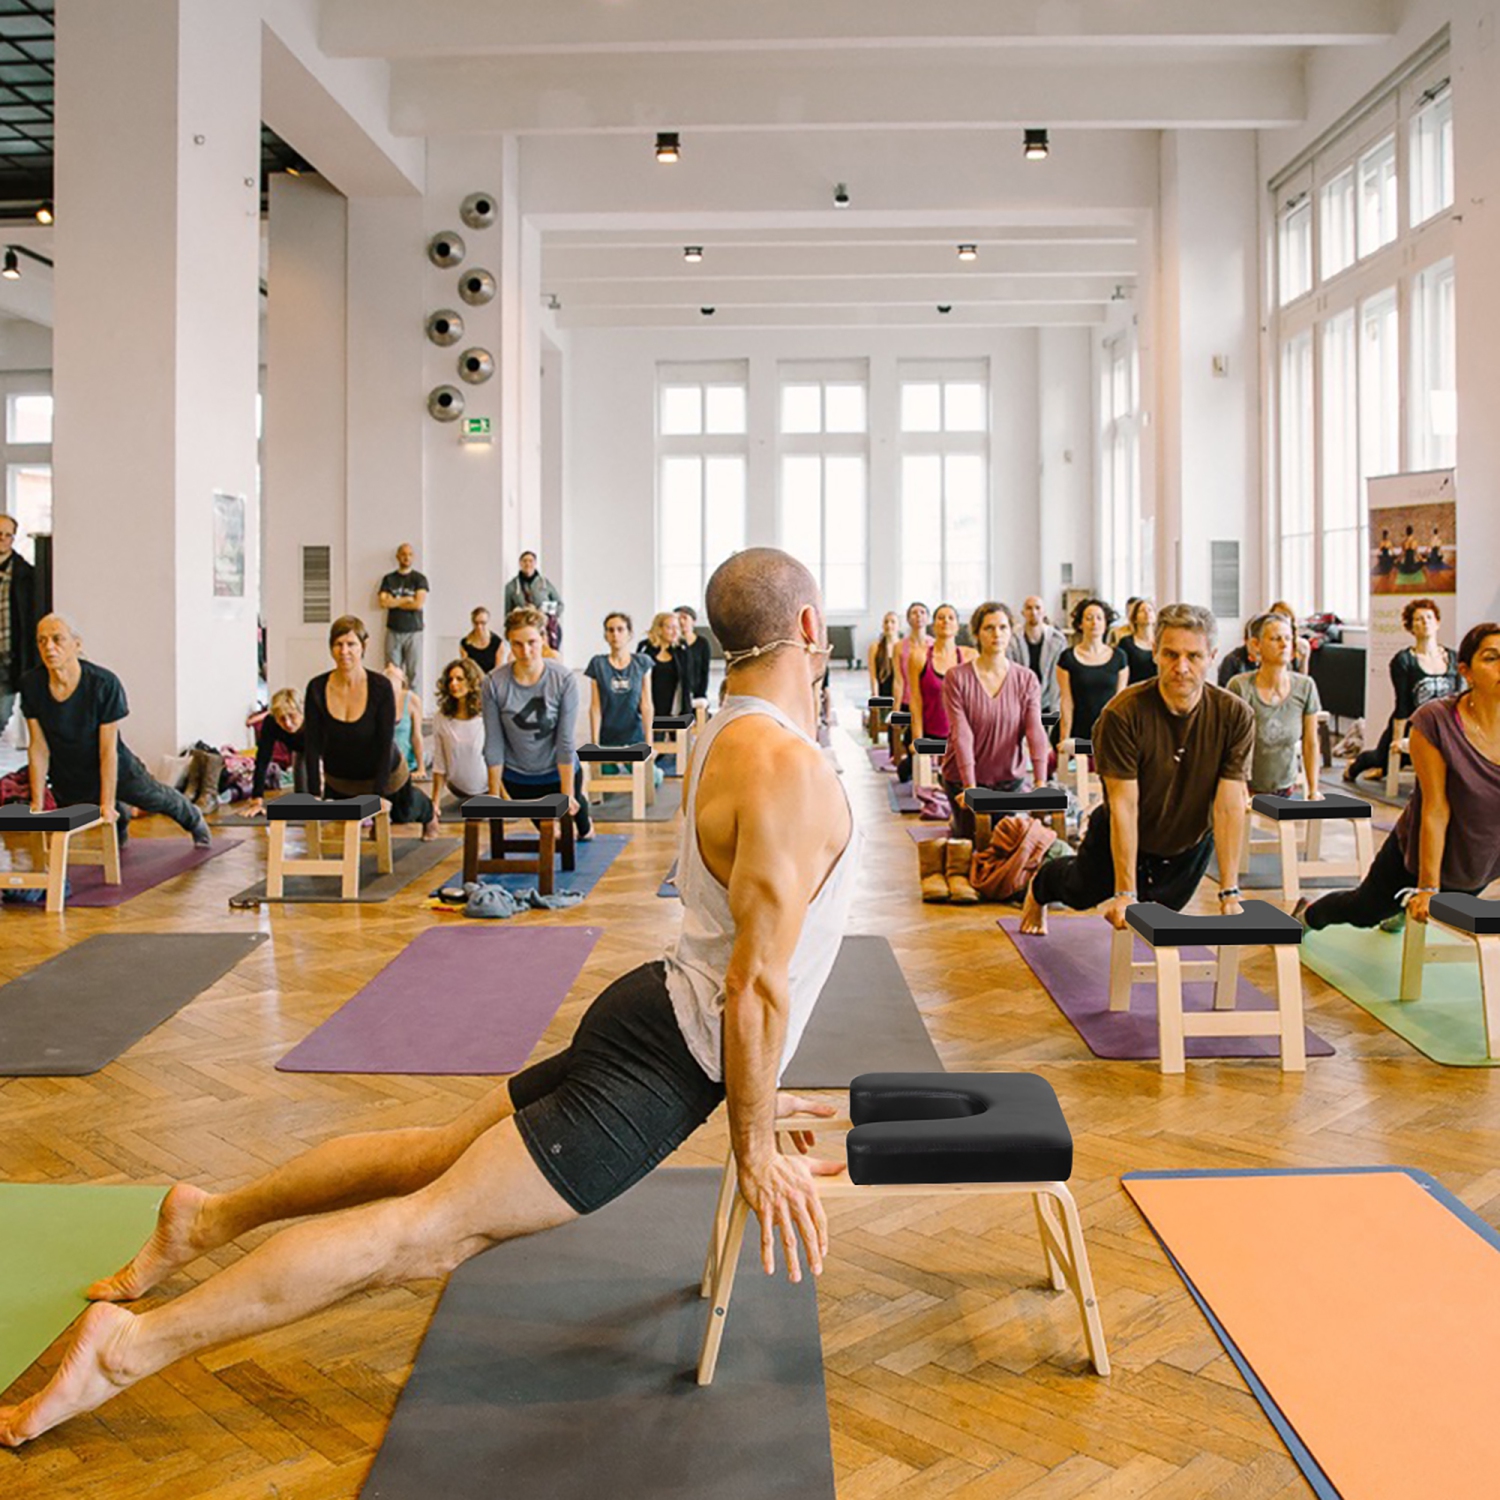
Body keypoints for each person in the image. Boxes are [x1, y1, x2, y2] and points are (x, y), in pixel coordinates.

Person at [0, 548, 855, 1451]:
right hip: (665, 1063)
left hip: (652, 1011)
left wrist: (752, 1091)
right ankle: (128, 1349)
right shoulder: (785, 768)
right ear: (808, 628)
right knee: (429, 1232)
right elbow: (754, 982)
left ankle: (206, 1217)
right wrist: (751, 1137)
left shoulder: (728, 730)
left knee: (432, 1156)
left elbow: (745, 963)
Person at [1021, 603, 1253, 935]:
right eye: (1171, 655)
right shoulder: (1123, 714)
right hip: (1123, 826)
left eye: (1194, 656)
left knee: (1158, 912)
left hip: (1188, 842)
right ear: (1155, 653)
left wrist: (1230, 890)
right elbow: (1124, 806)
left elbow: (1230, 805)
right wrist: (1124, 892)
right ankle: (1040, 884)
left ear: (1212, 656)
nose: (1182, 667)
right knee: (1080, 891)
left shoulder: (1234, 715)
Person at [1303, 623, 1500, 932]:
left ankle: (1398, 912)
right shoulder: (1435, 720)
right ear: (1466, 671)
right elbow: (1435, 808)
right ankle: (1310, 914)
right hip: (1421, 854)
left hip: (1481, 857)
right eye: (1491, 658)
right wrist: (1428, 887)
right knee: (1365, 910)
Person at [20, 614, 210, 846]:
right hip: (69, 772)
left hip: (116, 767)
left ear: (76, 644)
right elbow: (38, 747)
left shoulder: (103, 684)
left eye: (57, 639)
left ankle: (193, 818)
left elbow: (107, 750)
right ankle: (122, 817)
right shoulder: (31, 684)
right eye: (42, 640)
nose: (49, 647)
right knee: (100, 820)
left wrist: (107, 803)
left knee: (155, 797)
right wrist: (37, 805)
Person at [303, 615, 435, 831]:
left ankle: (428, 811)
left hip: (384, 774)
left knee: (402, 815)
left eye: (351, 644)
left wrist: (377, 796)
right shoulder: (316, 688)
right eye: (338, 644)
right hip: (341, 778)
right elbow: (312, 745)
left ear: (363, 646)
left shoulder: (380, 687)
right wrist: (313, 795)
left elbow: (385, 744)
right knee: (344, 829)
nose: (344, 651)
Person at [482, 605, 593, 840]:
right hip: (518, 776)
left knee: (580, 832)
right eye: (518, 644)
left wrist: (567, 794)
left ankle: (585, 823)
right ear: (510, 644)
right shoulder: (494, 682)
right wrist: (493, 797)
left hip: (557, 771)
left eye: (532, 642)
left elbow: (565, 740)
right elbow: (493, 741)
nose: (526, 651)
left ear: (543, 639)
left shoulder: (563, 679)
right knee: (550, 835)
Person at [941, 602, 1049, 842]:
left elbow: (1034, 730)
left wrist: (1041, 781)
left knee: (1002, 844)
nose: (997, 634)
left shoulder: (1026, 679)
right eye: (989, 628)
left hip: (1007, 779)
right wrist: (969, 786)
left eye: (1003, 627)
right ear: (977, 633)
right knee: (970, 846)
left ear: (1011, 631)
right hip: (962, 778)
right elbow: (961, 733)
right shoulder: (956, 678)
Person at [1344, 598, 1459, 784]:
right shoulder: (1404, 660)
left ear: (1437, 623)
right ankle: (1355, 767)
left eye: (1429, 617)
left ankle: (1383, 770)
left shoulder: (1453, 658)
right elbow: (1403, 704)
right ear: (1411, 627)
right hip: (1412, 724)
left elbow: (1459, 699)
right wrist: (1396, 742)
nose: (1425, 622)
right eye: (1419, 619)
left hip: (1442, 725)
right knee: (1380, 757)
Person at [1227, 611, 1322, 798]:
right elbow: (1231, 745)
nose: (1284, 644)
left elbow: (1310, 743)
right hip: (1245, 787)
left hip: (1285, 787)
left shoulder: (1305, 686)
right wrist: (1239, 789)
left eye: (1288, 638)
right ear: (1256, 645)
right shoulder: (1239, 686)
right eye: (1275, 639)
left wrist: (1313, 790)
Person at [428, 657, 488, 830]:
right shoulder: (441, 718)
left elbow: (496, 757)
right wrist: (435, 803)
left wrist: (499, 798)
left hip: (487, 787)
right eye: (450, 680)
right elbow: (439, 762)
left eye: (460, 679)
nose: (454, 684)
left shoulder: (485, 715)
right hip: (458, 787)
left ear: (471, 682)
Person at [1056, 598, 1127, 744]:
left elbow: (1121, 701)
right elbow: (1066, 701)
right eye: (1089, 618)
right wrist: (1064, 738)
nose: (1094, 622)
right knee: (1080, 765)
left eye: (1099, 618)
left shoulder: (1119, 657)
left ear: (1106, 623)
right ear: (1080, 624)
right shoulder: (1067, 658)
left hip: (1108, 732)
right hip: (1077, 733)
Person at [908, 603, 974, 743]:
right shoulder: (919, 657)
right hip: (929, 735)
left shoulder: (970, 656)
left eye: (951, 618)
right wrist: (917, 738)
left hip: (962, 737)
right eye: (941, 618)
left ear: (957, 626)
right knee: (907, 765)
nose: (946, 621)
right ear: (933, 625)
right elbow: (915, 700)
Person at [586, 612, 653, 748]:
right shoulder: (598, 664)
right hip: (607, 736)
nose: (615, 634)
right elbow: (595, 707)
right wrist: (595, 743)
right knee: (603, 769)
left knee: (653, 770)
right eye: (611, 630)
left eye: (620, 629)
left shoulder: (642, 662)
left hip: (635, 736)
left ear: (630, 634)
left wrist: (649, 743)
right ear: (606, 635)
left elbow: (646, 705)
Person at [0, 511, 38, 743]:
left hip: (7, 657)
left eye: (8, 535)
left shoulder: (26, 576)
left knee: (1, 714)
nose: (2, 539)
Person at [239, 688, 306, 816]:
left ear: (300, 712)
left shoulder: (313, 719)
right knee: (302, 797)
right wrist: (257, 799)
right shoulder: (270, 723)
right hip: (298, 750)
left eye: (292, 716)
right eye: (282, 719)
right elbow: (262, 760)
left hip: (325, 748)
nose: (288, 724)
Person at [1006, 595, 1067, 719]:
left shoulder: (1058, 640)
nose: (1033, 612)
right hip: (1020, 702)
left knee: (1045, 735)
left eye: (1037, 608)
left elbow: (1057, 679)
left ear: (1044, 612)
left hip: (1048, 701)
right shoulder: (1011, 640)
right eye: (1029, 608)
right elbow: (1010, 674)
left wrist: (1055, 713)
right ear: (1023, 613)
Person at [377, 543, 428, 688]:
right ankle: (393, 707)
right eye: (404, 554)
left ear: (413, 557)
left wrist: (393, 601)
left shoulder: (419, 579)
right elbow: (382, 602)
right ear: (398, 556)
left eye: (410, 554)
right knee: (391, 672)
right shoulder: (389, 579)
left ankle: (413, 708)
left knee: (415, 673)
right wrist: (406, 600)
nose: (407, 557)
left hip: (414, 632)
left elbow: (418, 603)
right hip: (393, 631)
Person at [503, 551, 564, 651]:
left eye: (530, 561)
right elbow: (507, 613)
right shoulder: (512, 587)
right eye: (525, 561)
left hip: (546, 629)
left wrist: (545, 614)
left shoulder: (545, 583)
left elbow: (560, 605)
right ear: (520, 563)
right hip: (524, 631)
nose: (528, 564)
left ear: (535, 563)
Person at [639, 610, 687, 720]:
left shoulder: (682, 650)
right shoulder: (645, 649)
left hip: (675, 708)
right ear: (659, 629)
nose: (675, 632)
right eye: (670, 628)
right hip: (650, 706)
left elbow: (687, 682)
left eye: (677, 628)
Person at [383, 663, 426, 779]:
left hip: (406, 763)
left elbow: (416, 736)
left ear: (402, 682)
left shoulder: (412, 700)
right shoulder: (379, 699)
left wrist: (421, 768)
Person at [676, 605, 713, 707]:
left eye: (684, 618)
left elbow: (704, 671)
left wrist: (701, 694)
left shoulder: (702, 643)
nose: (681, 622)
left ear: (693, 621)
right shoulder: (673, 643)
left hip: (696, 693)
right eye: (678, 619)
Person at [1119, 599, 1158, 685]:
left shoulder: (1162, 642)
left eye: (1150, 610)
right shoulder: (1126, 643)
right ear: (1135, 619)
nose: (1147, 613)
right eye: (1142, 611)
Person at [1267, 600, 1312, 674]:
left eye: (1284, 615)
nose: (1281, 620)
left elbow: (1304, 676)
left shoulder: (1303, 645)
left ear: (1291, 619)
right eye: (1277, 617)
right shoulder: (1268, 644)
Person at [460, 606, 504, 675]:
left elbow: (498, 670)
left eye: (483, 623)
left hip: (491, 681)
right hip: (473, 682)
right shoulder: (465, 643)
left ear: (488, 623)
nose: (479, 627)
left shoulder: (497, 642)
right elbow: (466, 669)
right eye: (476, 623)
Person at [1216, 620, 1260, 687]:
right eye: (1255, 643)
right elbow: (1222, 693)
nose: (1259, 647)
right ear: (1246, 640)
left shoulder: (1269, 659)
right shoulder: (1231, 660)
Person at [868, 611, 900, 700]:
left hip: (900, 697)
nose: (889, 625)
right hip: (882, 694)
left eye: (893, 622)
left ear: (898, 626)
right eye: (886, 622)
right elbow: (873, 677)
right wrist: (875, 697)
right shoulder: (874, 647)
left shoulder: (903, 647)